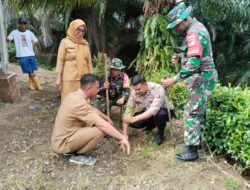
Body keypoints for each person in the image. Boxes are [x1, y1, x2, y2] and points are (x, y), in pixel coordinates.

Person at [161, 4, 218, 161]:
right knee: (197, 111)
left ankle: (192, 151)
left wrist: (174, 79)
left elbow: (194, 64)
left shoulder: (194, 33)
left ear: (184, 20)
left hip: (203, 79)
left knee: (192, 112)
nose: (176, 29)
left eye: (177, 25)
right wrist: (181, 56)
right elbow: (197, 52)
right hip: (203, 78)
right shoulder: (195, 28)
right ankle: (194, 142)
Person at [51, 74, 130, 165]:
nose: (98, 90)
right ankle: (77, 155)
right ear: (89, 88)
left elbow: (91, 108)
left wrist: (106, 117)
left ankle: (76, 148)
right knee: (100, 131)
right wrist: (122, 137)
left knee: (96, 124)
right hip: (62, 143)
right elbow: (102, 124)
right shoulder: (79, 103)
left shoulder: (76, 95)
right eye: (97, 88)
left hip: (64, 136)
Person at [123, 75, 174, 145]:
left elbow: (153, 110)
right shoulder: (134, 92)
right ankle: (150, 126)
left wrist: (135, 118)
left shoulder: (158, 89)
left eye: (139, 89)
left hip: (164, 112)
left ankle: (160, 133)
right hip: (148, 111)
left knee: (160, 114)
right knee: (133, 122)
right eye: (135, 89)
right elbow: (128, 111)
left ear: (145, 85)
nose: (137, 92)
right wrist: (124, 135)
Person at [55, 19, 93, 103]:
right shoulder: (65, 42)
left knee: (83, 101)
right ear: (72, 29)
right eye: (78, 30)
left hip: (84, 78)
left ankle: (81, 116)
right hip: (69, 78)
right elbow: (60, 61)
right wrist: (58, 78)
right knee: (68, 100)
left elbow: (89, 62)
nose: (81, 32)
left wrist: (92, 78)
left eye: (83, 31)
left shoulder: (85, 44)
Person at [7, 17, 42, 90]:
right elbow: (8, 39)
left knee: (32, 70)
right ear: (19, 24)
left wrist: (31, 48)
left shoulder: (29, 33)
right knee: (29, 70)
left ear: (26, 25)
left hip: (31, 54)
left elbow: (36, 41)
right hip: (22, 55)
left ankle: (30, 85)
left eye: (24, 24)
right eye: (21, 23)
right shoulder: (14, 32)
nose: (23, 25)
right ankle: (38, 85)